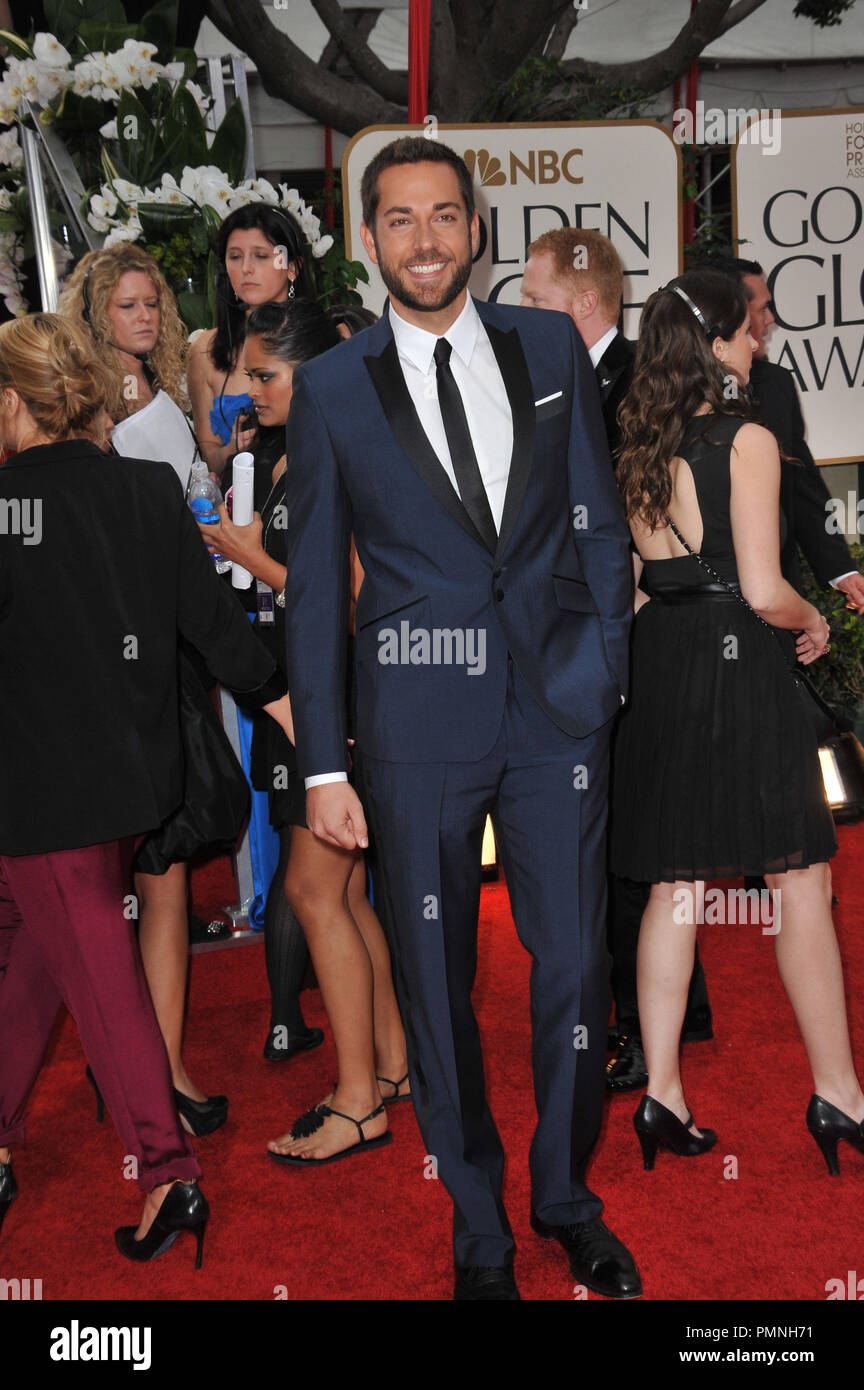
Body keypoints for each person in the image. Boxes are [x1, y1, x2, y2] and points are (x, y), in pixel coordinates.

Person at [281, 136, 640, 1301]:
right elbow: (316, 580)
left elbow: (595, 511)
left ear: (476, 230)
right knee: (434, 983)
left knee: (578, 965)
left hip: (555, 707)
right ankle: (478, 1226)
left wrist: (608, 667)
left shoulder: (546, 346)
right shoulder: (333, 387)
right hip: (413, 721)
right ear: (369, 236)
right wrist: (325, 764)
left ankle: (565, 1195)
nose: (426, 240)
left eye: (446, 217)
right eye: (400, 220)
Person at [0, 313, 295, 1262]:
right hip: (132, 776)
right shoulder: (145, 487)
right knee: (38, 955)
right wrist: (281, 695)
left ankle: (167, 1174)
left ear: (12, 401)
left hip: (40, 792)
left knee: (88, 963)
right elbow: (208, 619)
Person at [611, 270, 864, 1179]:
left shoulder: (639, 440)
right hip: (739, 664)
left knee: (675, 888)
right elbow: (762, 589)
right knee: (801, 880)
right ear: (717, 342)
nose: (758, 343)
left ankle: (664, 1093)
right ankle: (839, 1091)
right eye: (748, 331)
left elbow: (640, 585)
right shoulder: (748, 436)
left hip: (666, 661)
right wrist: (815, 621)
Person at [195, 299, 411, 1154]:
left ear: (316, 371)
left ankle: (360, 1100)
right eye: (247, 374)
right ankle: (389, 1065)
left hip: (334, 699)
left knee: (313, 892)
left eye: (264, 375)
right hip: (305, 694)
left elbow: (359, 601)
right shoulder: (290, 457)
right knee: (346, 894)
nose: (249, 391)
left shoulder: (343, 456)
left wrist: (252, 562)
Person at [521, 228, 712, 1094]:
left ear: (584, 303)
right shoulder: (559, 377)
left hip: (631, 631)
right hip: (586, 630)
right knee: (620, 835)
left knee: (628, 839)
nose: (521, 312)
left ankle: (642, 1029)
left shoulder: (637, 381)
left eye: (534, 297)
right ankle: (678, 1008)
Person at [60, 244, 236, 1135]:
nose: (142, 317)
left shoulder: (146, 391)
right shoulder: (100, 407)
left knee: (148, 875)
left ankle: (149, 1066)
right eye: (123, 305)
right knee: (146, 873)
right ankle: (149, 1068)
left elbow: (184, 487)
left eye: (149, 303)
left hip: (169, 640)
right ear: (94, 316)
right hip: (145, 648)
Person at [707, 256, 864, 611]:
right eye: (762, 309)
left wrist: (842, 571)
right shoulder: (666, 393)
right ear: (730, 314)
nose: (771, 319)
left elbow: (800, 485)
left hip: (778, 597)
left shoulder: (776, 384)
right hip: (702, 597)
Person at [187, 204, 315, 475]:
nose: (246, 268)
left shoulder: (323, 342)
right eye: (235, 257)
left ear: (292, 267)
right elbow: (209, 456)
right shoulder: (204, 351)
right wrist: (230, 449)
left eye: (260, 255)